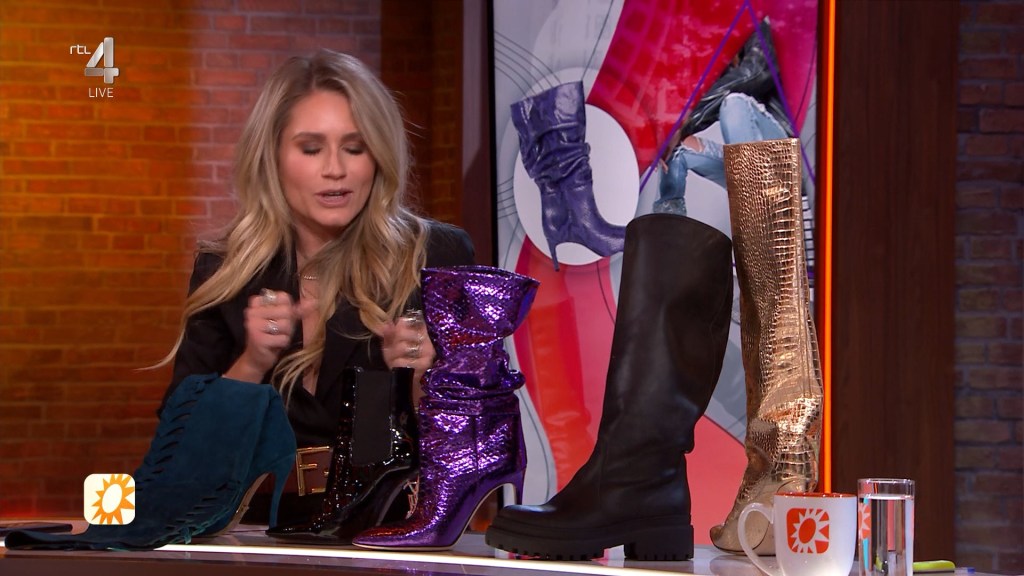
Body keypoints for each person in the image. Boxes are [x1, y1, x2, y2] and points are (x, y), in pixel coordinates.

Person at [157, 49, 475, 526]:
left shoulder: (433, 256)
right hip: (252, 528)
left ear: (378, 155)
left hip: (384, 525)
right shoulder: (226, 269)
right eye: (311, 149)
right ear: (273, 156)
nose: (335, 169)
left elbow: (473, 447)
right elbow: (180, 452)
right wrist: (252, 362)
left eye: (355, 147)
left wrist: (420, 382)